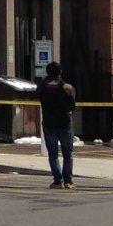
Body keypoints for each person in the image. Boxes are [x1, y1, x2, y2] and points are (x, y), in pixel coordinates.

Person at [38, 61, 77, 189]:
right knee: (67, 153)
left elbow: (39, 98)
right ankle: (68, 180)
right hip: (65, 122)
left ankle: (57, 180)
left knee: (53, 154)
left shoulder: (42, 86)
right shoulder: (67, 87)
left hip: (49, 122)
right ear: (60, 72)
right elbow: (72, 105)